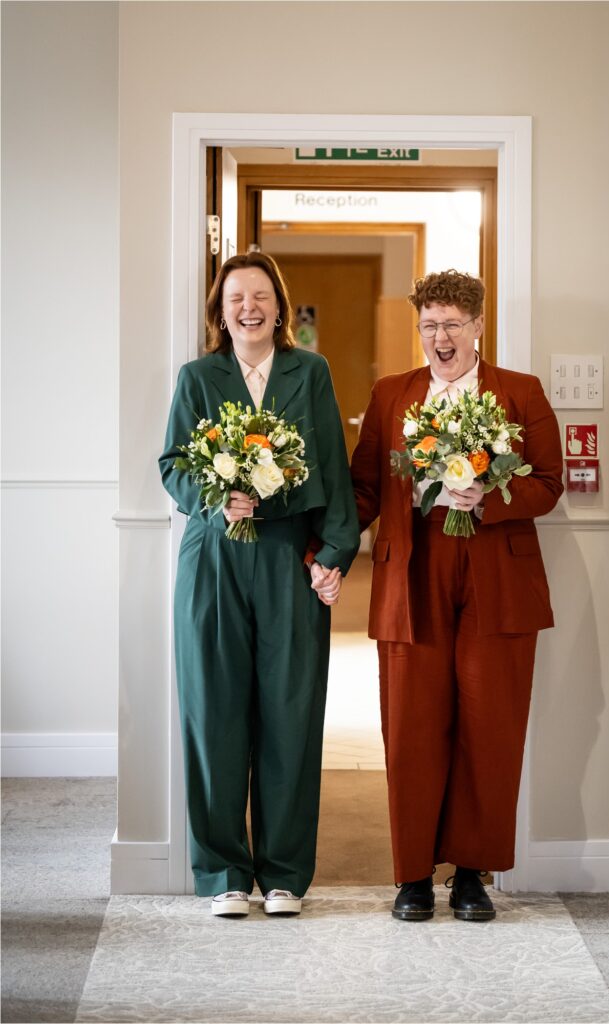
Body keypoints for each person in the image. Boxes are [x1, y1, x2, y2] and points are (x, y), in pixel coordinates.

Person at [350, 270, 563, 922]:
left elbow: (548, 483)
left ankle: (471, 875)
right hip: (413, 571)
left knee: (488, 725)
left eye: (450, 324)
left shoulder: (518, 392)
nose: (438, 338)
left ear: (476, 328)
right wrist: (320, 549)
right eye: (428, 326)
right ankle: (413, 875)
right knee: (411, 725)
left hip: (496, 571)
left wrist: (490, 496)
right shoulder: (392, 395)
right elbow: (363, 489)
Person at [159, 252, 359, 917]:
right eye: (235, 297)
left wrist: (333, 552)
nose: (249, 307)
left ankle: (282, 876)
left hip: (284, 560)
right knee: (212, 713)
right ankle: (222, 875)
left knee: (289, 714)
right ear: (219, 312)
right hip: (212, 558)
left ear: (279, 305)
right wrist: (215, 498)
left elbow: (329, 459)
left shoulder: (312, 372)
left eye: (261, 296)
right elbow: (172, 464)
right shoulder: (197, 377)